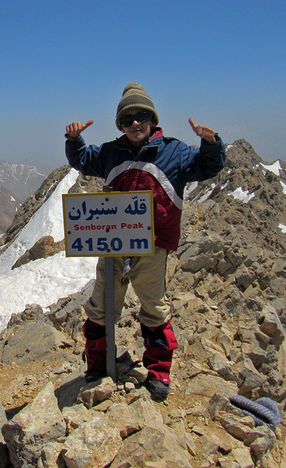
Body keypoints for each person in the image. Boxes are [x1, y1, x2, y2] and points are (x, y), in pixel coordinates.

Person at [63, 83, 226, 401]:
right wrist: (73, 139)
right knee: (101, 307)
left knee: (153, 309)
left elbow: (207, 167)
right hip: (113, 243)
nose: (135, 124)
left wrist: (211, 144)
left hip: (153, 245)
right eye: (127, 119)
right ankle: (97, 366)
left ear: (152, 119)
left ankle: (159, 373)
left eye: (141, 116)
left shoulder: (175, 152)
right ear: (120, 125)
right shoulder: (110, 153)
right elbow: (82, 159)